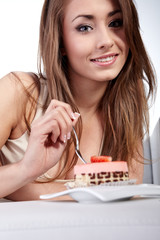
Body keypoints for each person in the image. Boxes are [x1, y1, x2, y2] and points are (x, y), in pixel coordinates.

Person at [0, 0, 156, 201]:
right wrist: (26, 170)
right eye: (84, 27)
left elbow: (128, 195)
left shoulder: (126, 104)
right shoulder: (19, 91)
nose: (106, 41)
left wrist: (21, 189)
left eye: (116, 23)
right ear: (60, 41)